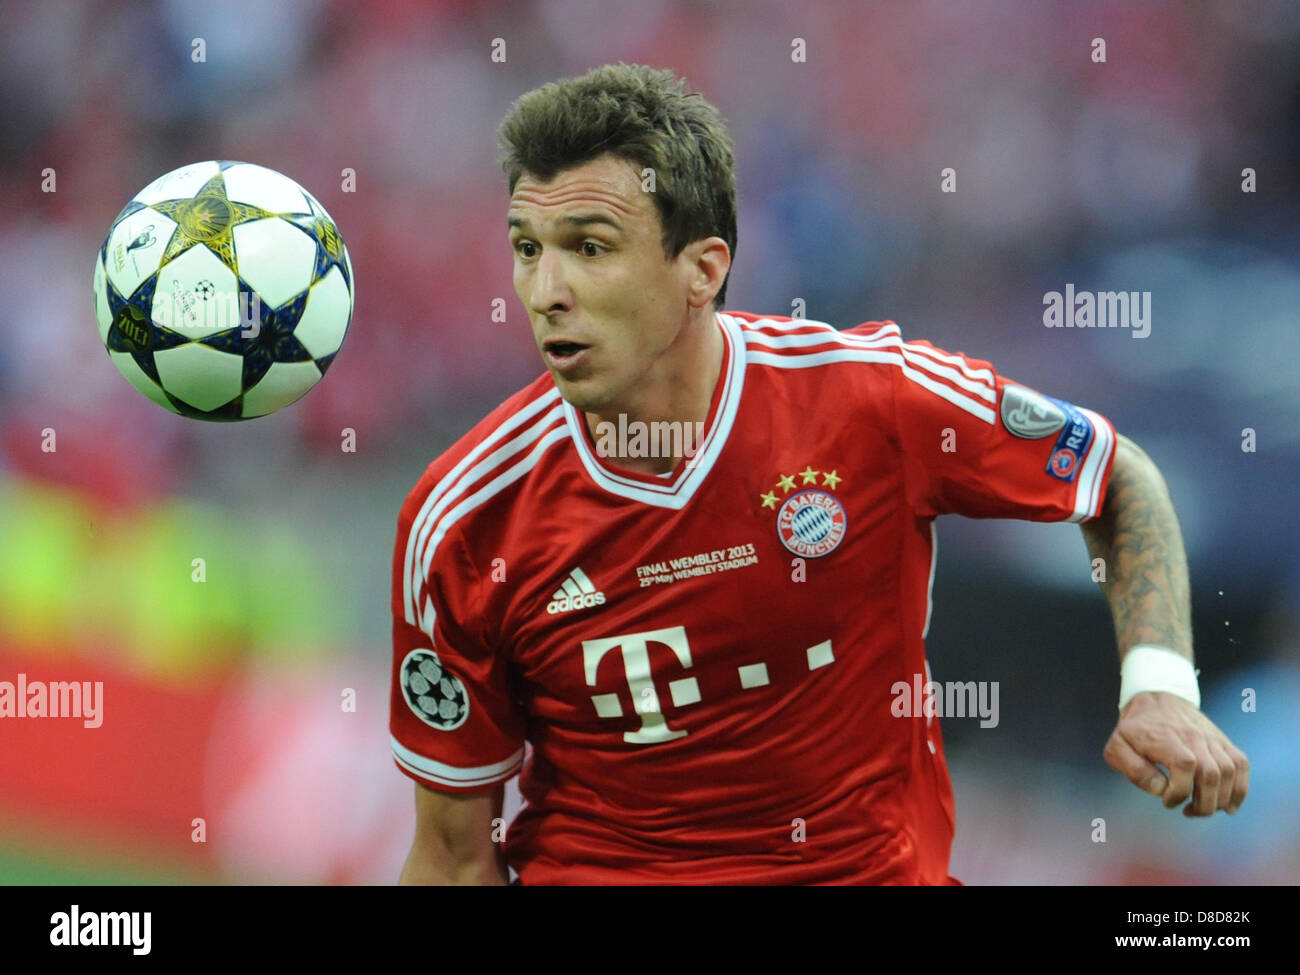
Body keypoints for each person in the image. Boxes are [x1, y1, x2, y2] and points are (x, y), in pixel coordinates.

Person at [390, 63, 1249, 884]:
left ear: (703, 268)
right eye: (527, 247)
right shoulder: (464, 518)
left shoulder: (872, 400)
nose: (546, 290)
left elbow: (1115, 475)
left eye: (589, 247)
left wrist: (1161, 687)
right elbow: (455, 859)